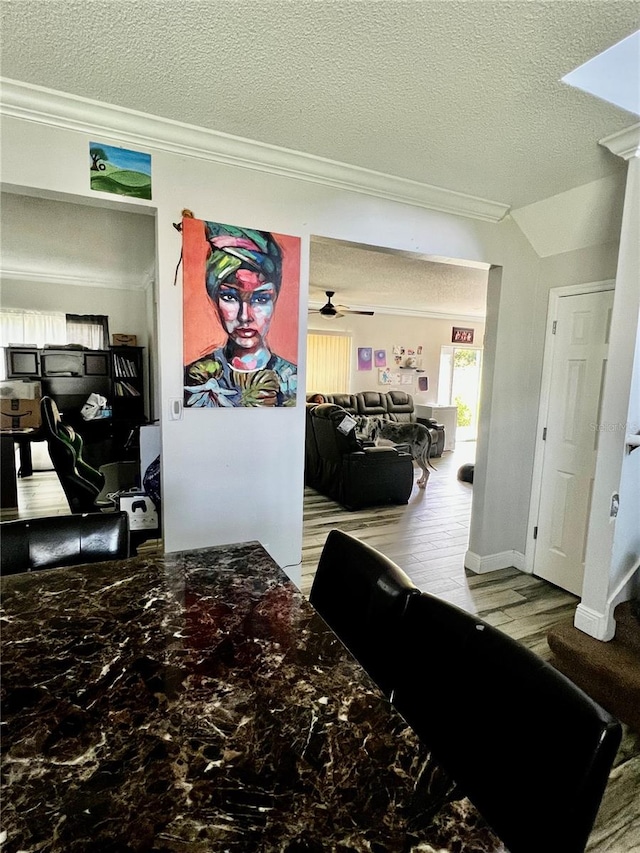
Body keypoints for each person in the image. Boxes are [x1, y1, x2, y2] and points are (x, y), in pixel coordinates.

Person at [184, 223, 297, 407]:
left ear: (274, 300)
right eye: (229, 297)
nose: (245, 316)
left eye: (260, 299)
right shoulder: (191, 377)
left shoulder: (293, 381)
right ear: (214, 300)